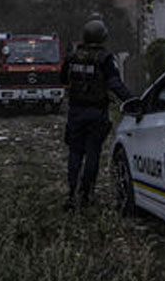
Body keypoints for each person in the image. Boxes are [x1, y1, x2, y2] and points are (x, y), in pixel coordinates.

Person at [60, 17, 134, 210]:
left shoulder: (72, 56)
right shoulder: (105, 58)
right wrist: (132, 101)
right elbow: (115, 84)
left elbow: (62, 79)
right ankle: (86, 195)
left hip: (75, 112)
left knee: (75, 153)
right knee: (93, 153)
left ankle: (71, 194)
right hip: (96, 113)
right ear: (102, 37)